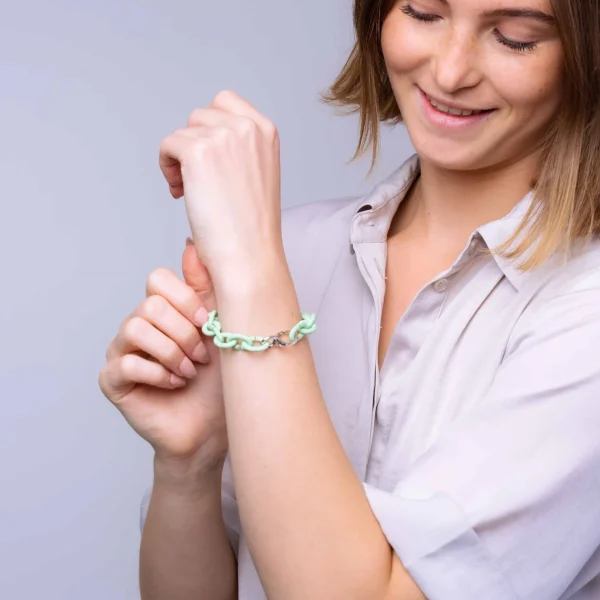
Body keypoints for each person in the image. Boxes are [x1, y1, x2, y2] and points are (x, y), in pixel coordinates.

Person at [98, 0, 600, 598]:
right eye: (423, 12)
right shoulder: (295, 252)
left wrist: (255, 269)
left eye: (515, 38)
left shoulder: (583, 314)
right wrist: (189, 466)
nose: (450, 72)